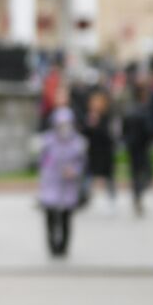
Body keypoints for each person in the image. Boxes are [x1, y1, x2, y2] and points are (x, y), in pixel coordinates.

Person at [39, 107, 87, 258]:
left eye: (67, 124)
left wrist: (74, 171)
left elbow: (82, 162)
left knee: (66, 218)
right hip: (51, 184)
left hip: (68, 186)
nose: (64, 128)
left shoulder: (77, 142)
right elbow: (42, 162)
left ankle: (64, 247)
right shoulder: (48, 141)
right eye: (61, 125)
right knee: (50, 217)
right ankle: (52, 246)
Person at [121, 83, 153, 217]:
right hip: (141, 147)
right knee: (147, 173)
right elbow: (149, 130)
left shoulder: (129, 110)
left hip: (132, 147)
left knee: (135, 173)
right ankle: (138, 193)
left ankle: (137, 194)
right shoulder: (143, 110)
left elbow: (124, 130)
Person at [81, 91, 118, 215]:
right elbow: (84, 134)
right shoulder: (88, 116)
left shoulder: (108, 117)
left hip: (105, 153)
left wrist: (96, 126)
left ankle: (112, 200)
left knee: (109, 178)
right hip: (92, 153)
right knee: (87, 177)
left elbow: (110, 136)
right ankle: (84, 199)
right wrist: (90, 125)